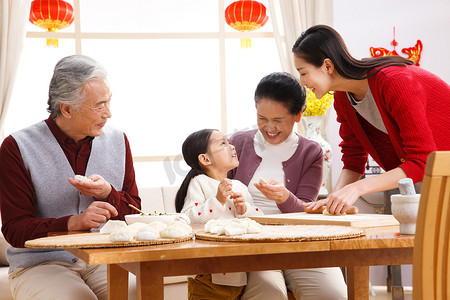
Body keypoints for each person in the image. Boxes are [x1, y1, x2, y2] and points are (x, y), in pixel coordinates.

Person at [0, 55, 141, 300]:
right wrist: (73, 223)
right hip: (40, 265)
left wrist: (108, 193)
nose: (108, 113)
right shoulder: (17, 147)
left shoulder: (119, 141)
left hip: (103, 259)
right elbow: (15, 229)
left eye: (108, 102)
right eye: (99, 105)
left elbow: (136, 213)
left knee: (140, 295)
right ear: (66, 108)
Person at [292, 24, 450, 215]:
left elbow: (422, 159)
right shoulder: (343, 98)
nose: (302, 82)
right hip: (431, 181)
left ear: (327, 66)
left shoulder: (394, 82)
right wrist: (333, 199)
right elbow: (353, 161)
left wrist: (358, 188)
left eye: (303, 73)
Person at [229, 72, 347, 300]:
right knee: (269, 292)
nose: (269, 128)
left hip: (299, 240)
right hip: (251, 242)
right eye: (262, 118)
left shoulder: (311, 151)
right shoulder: (237, 143)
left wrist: (284, 197)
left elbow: (307, 212)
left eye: (278, 120)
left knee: (333, 293)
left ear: (297, 115)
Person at [175, 128, 263, 300]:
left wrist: (244, 209)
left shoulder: (240, 186)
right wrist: (218, 200)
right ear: (205, 159)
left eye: (229, 142)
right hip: (207, 275)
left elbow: (259, 220)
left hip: (238, 274)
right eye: (223, 143)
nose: (232, 147)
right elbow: (188, 218)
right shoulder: (199, 182)